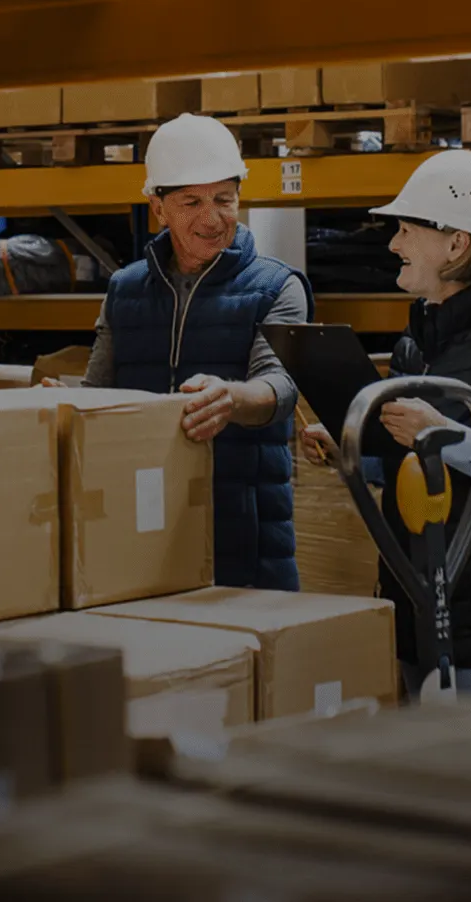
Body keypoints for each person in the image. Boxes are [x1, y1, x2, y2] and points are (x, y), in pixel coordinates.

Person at [301, 149, 471, 701]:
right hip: (420, 595)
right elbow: (411, 463)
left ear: (457, 244)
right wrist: (352, 448)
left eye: (407, 230)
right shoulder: (418, 341)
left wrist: (441, 435)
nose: (393, 244)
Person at [82, 113, 312, 591]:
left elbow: (279, 385)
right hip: (138, 528)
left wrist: (231, 398)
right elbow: (96, 393)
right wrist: (57, 406)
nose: (212, 218)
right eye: (191, 202)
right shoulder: (124, 291)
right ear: (158, 208)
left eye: (223, 200)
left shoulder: (276, 287)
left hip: (245, 539)